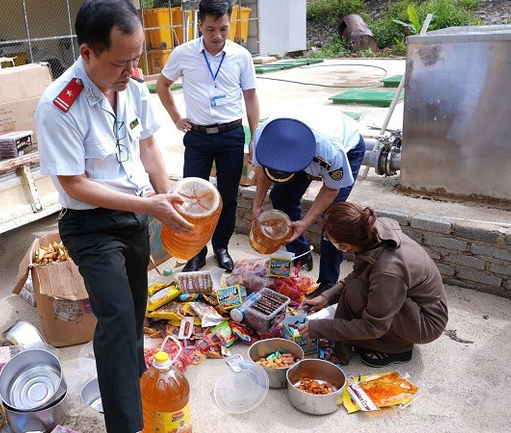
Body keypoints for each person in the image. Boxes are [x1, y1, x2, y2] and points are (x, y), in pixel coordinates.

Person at [34, 1, 192, 431]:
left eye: (137, 59)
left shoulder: (133, 87)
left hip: (134, 218)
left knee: (135, 313)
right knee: (117, 318)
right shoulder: (59, 105)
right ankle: (126, 425)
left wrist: (168, 196)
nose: (131, 71)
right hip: (90, 226)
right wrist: (149, 205)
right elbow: (75, 184)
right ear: (87, 53)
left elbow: (148, 147)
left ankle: (138, 389)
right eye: (121, 62)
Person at [156, 0, 259, 272]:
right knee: (190, 198)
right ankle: (195, 251)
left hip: (231, 135)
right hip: (198, 138)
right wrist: (177, 118)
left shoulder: (241, 56)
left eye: (223, 28)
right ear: (199, 24)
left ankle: (221, 247)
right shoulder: (183, 53)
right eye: (210, 29)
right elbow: (162, 84)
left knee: (228, 196)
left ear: (230, 23)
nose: (217, 36)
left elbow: (250, 96)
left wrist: (254, 137)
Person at [296, 202, 449, 367]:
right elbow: (359, 274)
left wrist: (319, 328)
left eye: (330, 239)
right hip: (412, 304)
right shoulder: (371, 230)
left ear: (345, 246)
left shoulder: (387, 271)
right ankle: (387, 337)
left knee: (356, 297)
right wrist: (327, 297)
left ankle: (397, 347)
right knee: (354, 289)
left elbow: (373, 326)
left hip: (427, 323)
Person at [252, 106, 365, 296]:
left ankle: (328, 283)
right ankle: (301, 254)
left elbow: (331, 189)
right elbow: (263, 169)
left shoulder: (331, 152)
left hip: (347, 147)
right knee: (280, 196)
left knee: (334, 220)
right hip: (298, 145)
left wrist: (304, 223)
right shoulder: (263, 137)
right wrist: (257, 204)